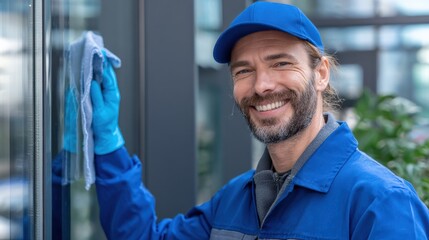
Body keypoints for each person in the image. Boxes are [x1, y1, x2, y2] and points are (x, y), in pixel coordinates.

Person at [91, 2, 429, 239]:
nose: (262, 85)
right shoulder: (235, 199)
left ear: (321, 73)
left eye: (281, 63)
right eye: (244, 70)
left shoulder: (380, 202)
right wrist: (109, 144)